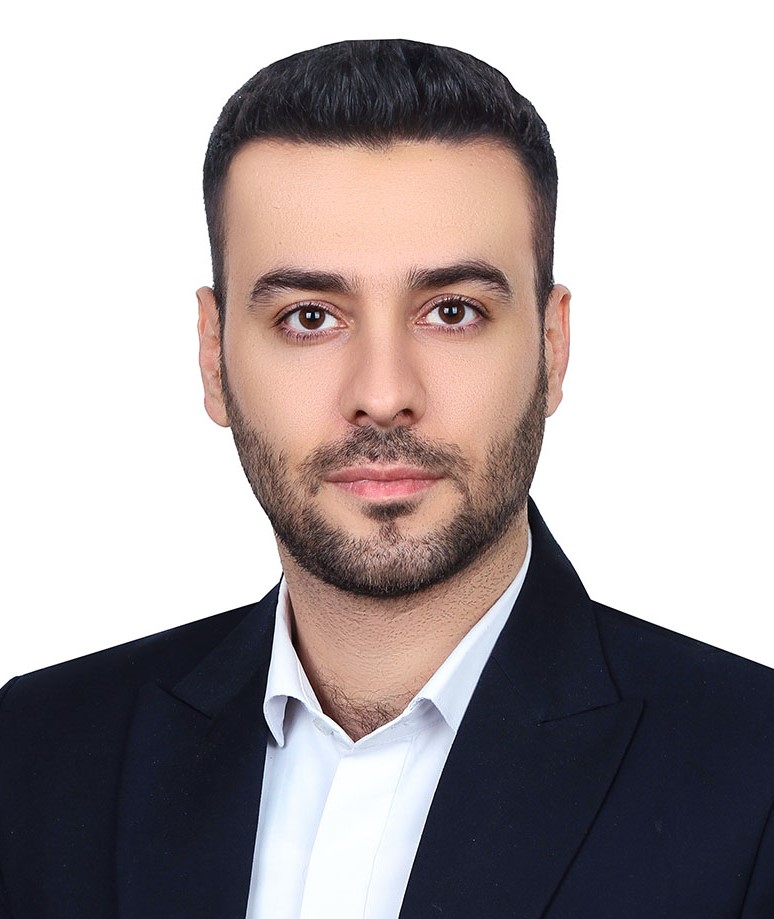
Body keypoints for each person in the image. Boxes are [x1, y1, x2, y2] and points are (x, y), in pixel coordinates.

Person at [1, 37, 772, 919]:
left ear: (553, 347)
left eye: (453, 311)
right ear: (212, 357)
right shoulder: (33, 755)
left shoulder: (755, 780)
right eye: (309, 317)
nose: (381, 392)